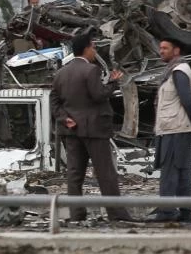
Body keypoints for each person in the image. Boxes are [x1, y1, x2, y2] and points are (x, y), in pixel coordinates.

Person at [49, 32, 133, 223]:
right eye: (94, 47)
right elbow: (98, 95)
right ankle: (116, 214)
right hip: (94, 129)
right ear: (87, 48)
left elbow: (53, 100)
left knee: (74, 174)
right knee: (105, 173)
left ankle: (77, 215)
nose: (95, 51)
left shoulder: (61, 73)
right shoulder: (92, 70)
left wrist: (64, 118)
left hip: (71, 131)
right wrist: (113, 82)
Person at [149, 38, 191, 223]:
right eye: (160, 48)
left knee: (170, 171)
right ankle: (186, 213)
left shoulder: (179, 71)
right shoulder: (174, 70)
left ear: (176, 51)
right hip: (176, 127)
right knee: (182, 171)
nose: (161, 51)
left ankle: (167, 212)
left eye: (165, 48)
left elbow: (187, 100)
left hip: (175, 128)